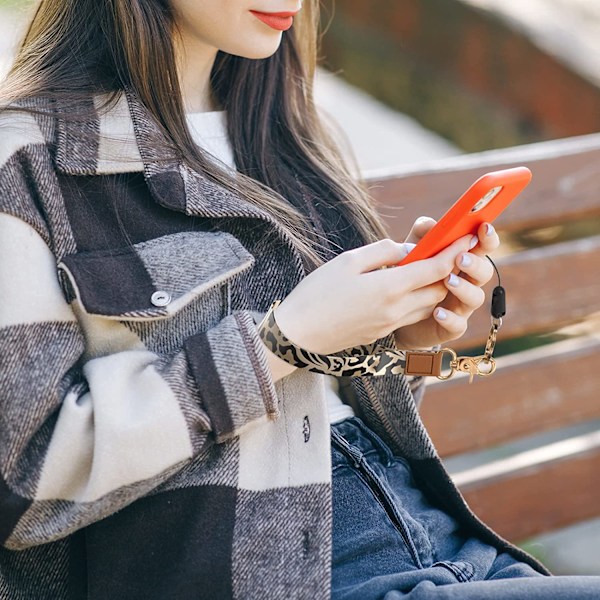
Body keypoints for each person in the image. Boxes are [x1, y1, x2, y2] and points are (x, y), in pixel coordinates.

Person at [0, 1, 598, 599]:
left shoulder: (281, 129)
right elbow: (22, 485)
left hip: (439, 542)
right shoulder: (27, 163)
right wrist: (278, 345)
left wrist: (395, 337)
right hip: (288, 577)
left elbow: (319, 404)